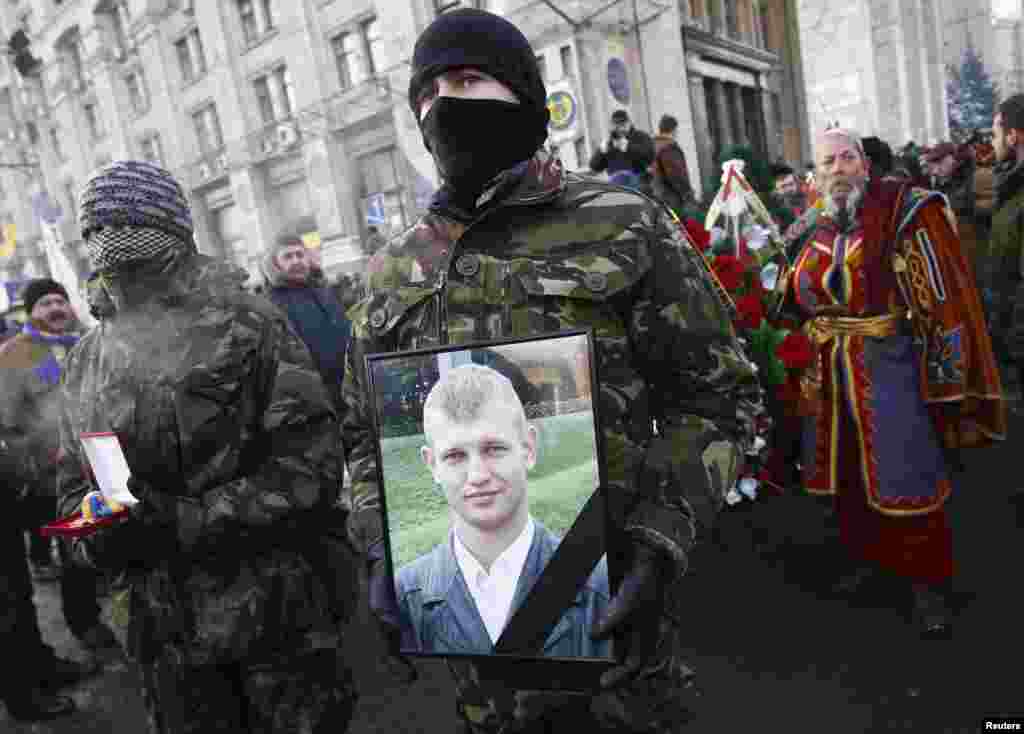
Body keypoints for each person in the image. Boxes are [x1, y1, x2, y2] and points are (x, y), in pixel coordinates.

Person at [342, 9, 760, 733]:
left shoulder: (624, 223)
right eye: (429, 91)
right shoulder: (390, 270)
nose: (444, 104)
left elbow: (719, 397)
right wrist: (382, 543)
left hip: (616, 632)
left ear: (524, 98)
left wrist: (663, 533)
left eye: (469, 80)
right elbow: (365, 434)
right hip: (479, 656)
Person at [56, 160, 358, 733]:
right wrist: (96, 531)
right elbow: (72, 488)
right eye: (99, 234)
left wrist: (181, 519)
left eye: (134, 232)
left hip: (276, 632)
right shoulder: (87, 360)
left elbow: (311, 469)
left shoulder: (251, 326)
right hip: (163, 646)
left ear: (176, 236)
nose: (117, 254)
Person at [778, 127, 1006, 638]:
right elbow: (789, 296)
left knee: (907, 472)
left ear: (864, 164)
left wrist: (948, 385)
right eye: (828, 161)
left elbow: (940, 302)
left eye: (847, 157)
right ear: (816, 172)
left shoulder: (904, 212)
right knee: (844, 475)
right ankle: (866, 564)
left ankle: (928, 586)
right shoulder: (808, 225)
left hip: (891, 370)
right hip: (828, 372)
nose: (838, 168)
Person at [395, 364, 610, 657]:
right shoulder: (403, 597)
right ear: (432, 464)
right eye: (455, 455)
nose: (478, 475)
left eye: (494, 448)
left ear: (529, 449)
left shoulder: (599, 583)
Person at [0, 278, 120, 652]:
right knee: (74, 548)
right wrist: (33, 464)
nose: (55, 309)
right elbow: (8, 422)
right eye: (45, 303)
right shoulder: (15, 355)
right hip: (55, 473)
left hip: (106, 461)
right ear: (31, 311)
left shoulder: (92, 340)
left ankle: (124, 608)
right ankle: (84, 622)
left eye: (60, 301)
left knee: (112, 538)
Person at [262, 232, 352, 410]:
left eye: (299, 254)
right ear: (275, 263)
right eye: (288, 256)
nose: (296, 261)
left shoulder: (325, 290)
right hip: (314, 402)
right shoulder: (271, 304)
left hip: (348, 389)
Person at [990, 95, 1024, 405]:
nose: (992, 141)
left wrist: (1013, 350)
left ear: (1012, 136)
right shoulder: (1011, 187)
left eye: (995, 133)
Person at [588, 109, 655, 193]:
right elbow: (594, 167)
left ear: (629, 123)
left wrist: (628, 147)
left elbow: (650, 157)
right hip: (617, 188)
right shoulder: (610, 142)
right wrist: (601, 151)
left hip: (640, 188)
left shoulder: (641, 136)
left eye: (623, 124)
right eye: (617, 125)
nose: (620, 128)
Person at [651, 114, 695, 217]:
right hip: (672, 200)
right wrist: (688, 195)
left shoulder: (652, 146)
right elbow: (676, 175)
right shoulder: (669, 147)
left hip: (657, 199)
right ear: (674, 130)